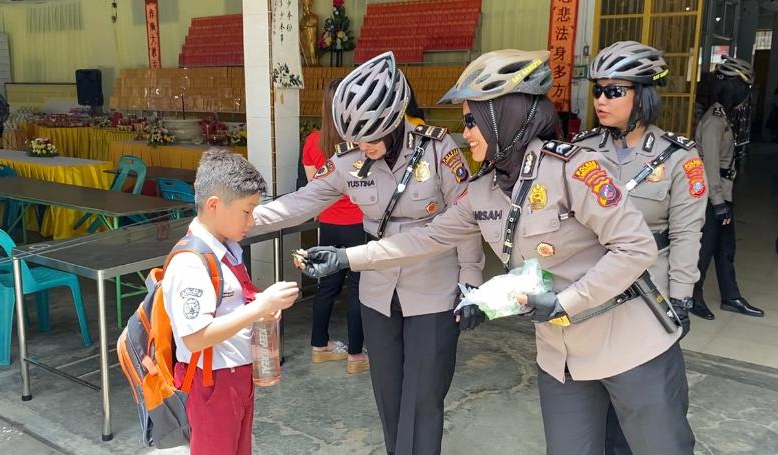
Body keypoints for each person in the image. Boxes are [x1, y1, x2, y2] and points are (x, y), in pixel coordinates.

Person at [297, 49, 695, 455]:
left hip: (629, 344)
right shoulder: (486, 188)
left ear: (503, 117)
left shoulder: (573, 168)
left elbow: (636, 248)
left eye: (472, 121)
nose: (464, 132)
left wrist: (563, 303)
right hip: (561, 358)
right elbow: (427, 238)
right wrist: (347, 259)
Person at [254, 51, 484, 454]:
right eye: (358, 137)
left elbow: (464, 220)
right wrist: (245, 218)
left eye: (374, 135)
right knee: (389, 393)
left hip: (433, 287)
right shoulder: (350, 159)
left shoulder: (437, 148)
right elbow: (303, 201)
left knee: (424, 395)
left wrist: (471, 282)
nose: (366, 146)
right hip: (377, 289)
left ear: (396, 118)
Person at [574, 40, 707, 455]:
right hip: (591, 298)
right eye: (598, 90)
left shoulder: (678, 158)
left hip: (648, 299)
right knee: (596, 413)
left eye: (615, 91)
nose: (602, 99)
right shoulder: (581, 151)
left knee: (653, 414)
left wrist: (681, 298)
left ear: (643, 95)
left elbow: (686, 235)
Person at [164, 150, 300, 455]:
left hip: (235, 373)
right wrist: (258, 308)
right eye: (247, 211)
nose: (252, 220)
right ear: (214, 205)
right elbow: (196, 337)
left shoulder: (226, 249)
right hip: (210, 382)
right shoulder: (191, 262)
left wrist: (262, 303)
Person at [302, 78, 368, 374]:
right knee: (357, 288)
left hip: (327, 224)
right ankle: (356, 356)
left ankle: (320, 347)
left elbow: (312, 188)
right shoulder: (361, 145)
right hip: (358, 225)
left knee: (326, 286)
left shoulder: (313, 141)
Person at [691, 57, 764, 320]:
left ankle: (731, 297)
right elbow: (709, 166)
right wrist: (719, 203)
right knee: (705, 248)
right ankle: (691, 297)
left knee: (725, 247)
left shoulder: (723, 116)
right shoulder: (714, 120)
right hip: (713, 196)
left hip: (723, 193)